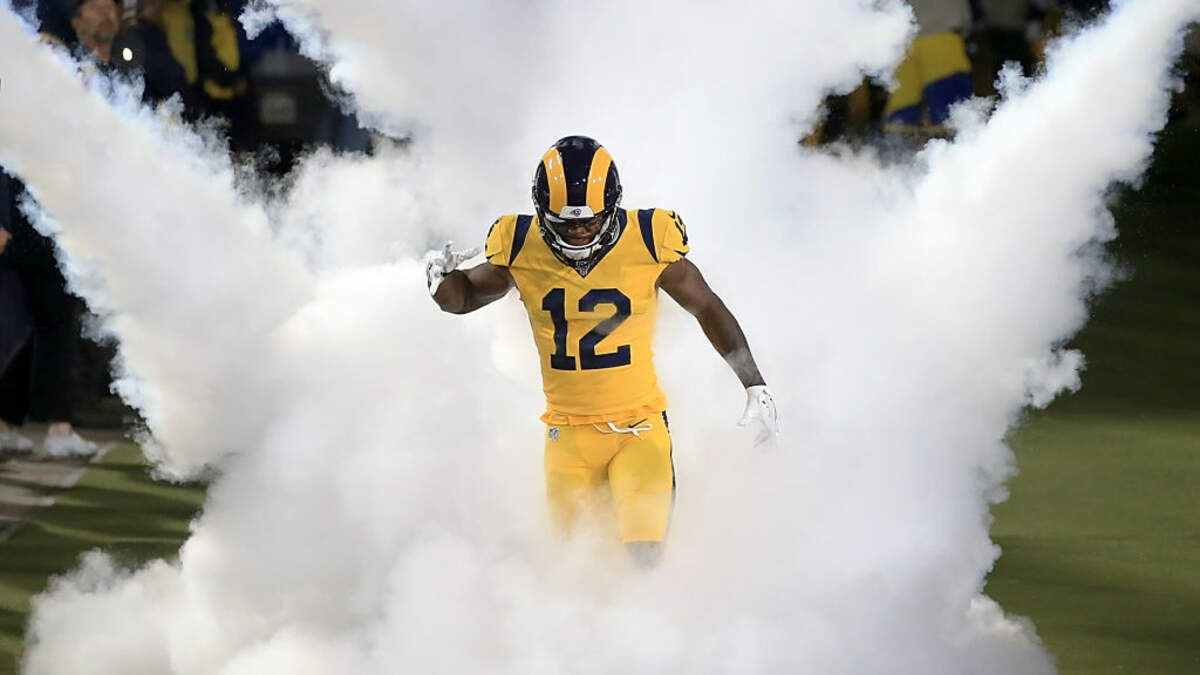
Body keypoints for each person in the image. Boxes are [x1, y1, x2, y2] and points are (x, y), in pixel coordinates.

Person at [425, 136, 779, 568]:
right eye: (565, 223)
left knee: (644, 553)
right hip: (567, 435)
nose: (578, 231)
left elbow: (705, 306)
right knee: (572, 568)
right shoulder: (519, 245)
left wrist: (754, 383)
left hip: (639, 429)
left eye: (590, 222)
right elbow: (462, 298)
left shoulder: (649, 239)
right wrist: (440, 281)